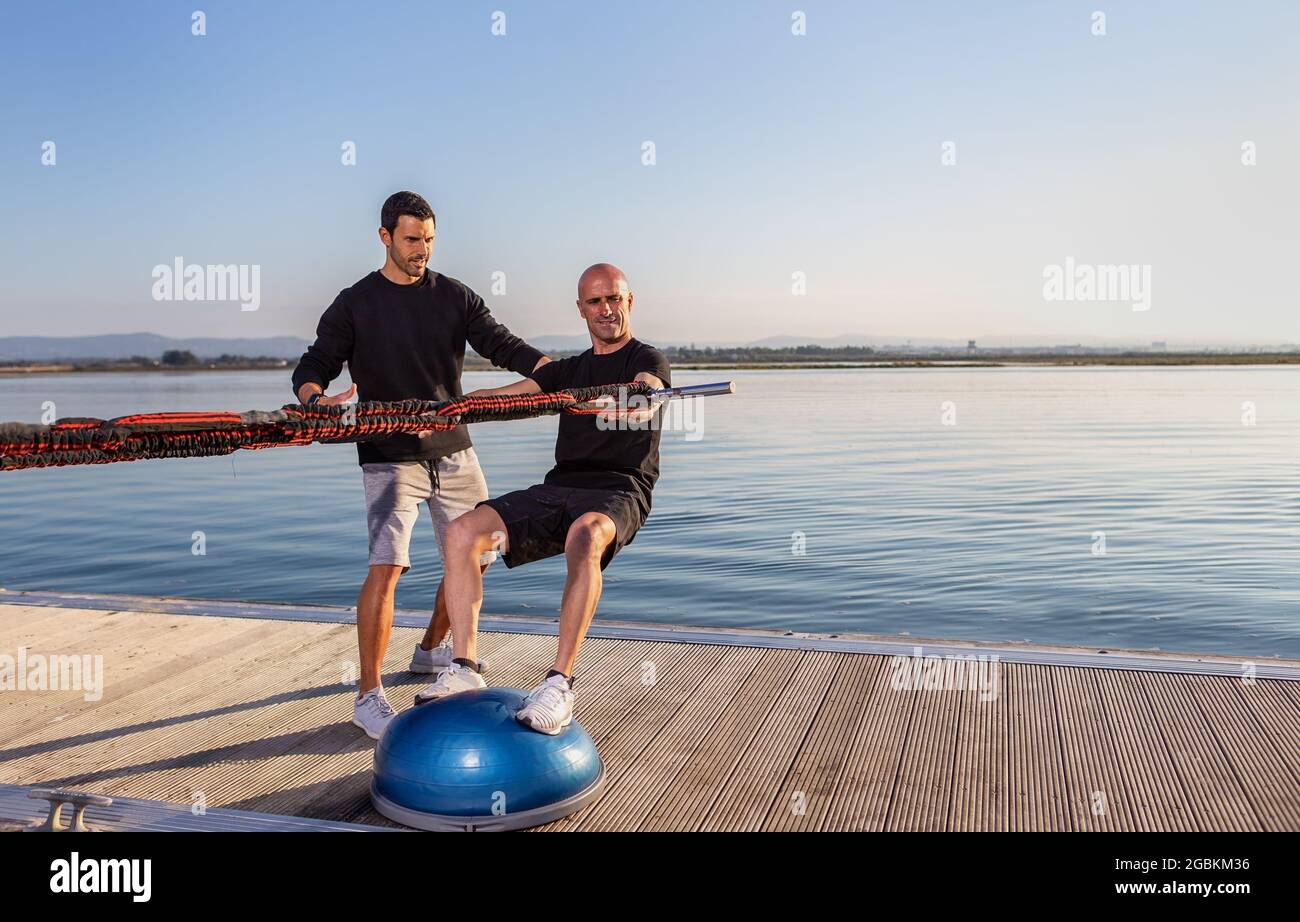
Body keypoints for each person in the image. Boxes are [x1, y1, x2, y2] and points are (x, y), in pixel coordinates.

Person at [290, 191, 549, 739]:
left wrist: (557, 372)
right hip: (389, 456)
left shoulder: (454, 296)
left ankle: (432, 650)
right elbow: (314, 365)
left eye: (429, 239)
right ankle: (368, 696)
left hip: (454, 448)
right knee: (388, 568)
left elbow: (504, 346)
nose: (422, 250)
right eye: (412, 239)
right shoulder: (354, 303)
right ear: (384, 237)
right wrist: (317, 400)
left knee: (476, 555)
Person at [414, 262, 670, 735]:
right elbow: (512, 393)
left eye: (614, 298)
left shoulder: (647, 361)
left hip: (620, 489)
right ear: (581, 309)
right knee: (462, 530)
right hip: (560, 487)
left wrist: (624, 402)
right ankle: (464, 665)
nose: (606, 309)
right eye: (594, 301)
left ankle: (559, 685)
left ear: (629, 301)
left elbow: (648, 394)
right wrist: (457, 407)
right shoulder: (568, 371)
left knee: (586, 534)